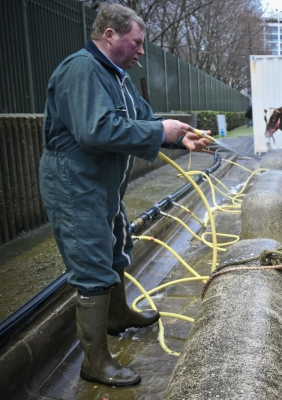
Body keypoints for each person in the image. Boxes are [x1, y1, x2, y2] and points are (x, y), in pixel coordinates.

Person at [38, 4, 210, 387]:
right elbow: (96, 130)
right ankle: (95, 361)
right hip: (75, 184)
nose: (141, 50)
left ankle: (117, 316)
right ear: (110, 35)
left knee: (116, 246)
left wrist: (180, 136)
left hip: (104, 182)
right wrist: (160, 131)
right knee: (92, 263)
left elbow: (143, 121)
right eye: (136, 42)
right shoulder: (81, 69)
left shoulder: (117, 77)